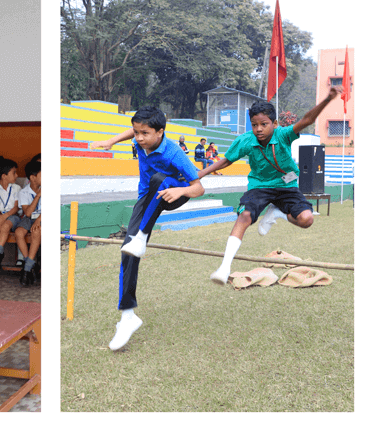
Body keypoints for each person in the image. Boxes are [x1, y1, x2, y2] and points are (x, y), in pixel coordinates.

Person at [197, 89, 340, 286]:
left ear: (274, 124)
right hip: (259, 186)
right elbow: (226, 160)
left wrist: (327, 98)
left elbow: (307, 120)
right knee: (245, 216)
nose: (259, 129)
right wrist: (201, 173)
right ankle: (224, 266)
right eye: (254, 125)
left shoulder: (283, 135)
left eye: (264, 124)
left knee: (306, 220)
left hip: (286, 185)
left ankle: (278, 213)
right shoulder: (246, 140)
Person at [95, 107, 203, 350]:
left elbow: (199, 187)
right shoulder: (140, 137)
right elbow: (130, 133)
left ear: (160, 132)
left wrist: (181, 190)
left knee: (159, 179)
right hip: (147, 198)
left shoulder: (175, 153)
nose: (139, 138)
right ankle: (127, 316)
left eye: (145, 133)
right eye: (136, 132)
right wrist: (111, 141)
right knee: (128, 252)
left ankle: (142, 236)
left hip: (174, 192)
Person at [14, 159, 41, 286]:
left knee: (36, 231)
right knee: (19, 232)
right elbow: (28, 213)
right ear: (33, 177)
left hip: (42, 218)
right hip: (29, 218)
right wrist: (38, 196)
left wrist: (40, 220)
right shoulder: (23, 192)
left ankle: (26, 270)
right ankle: (30, 263)